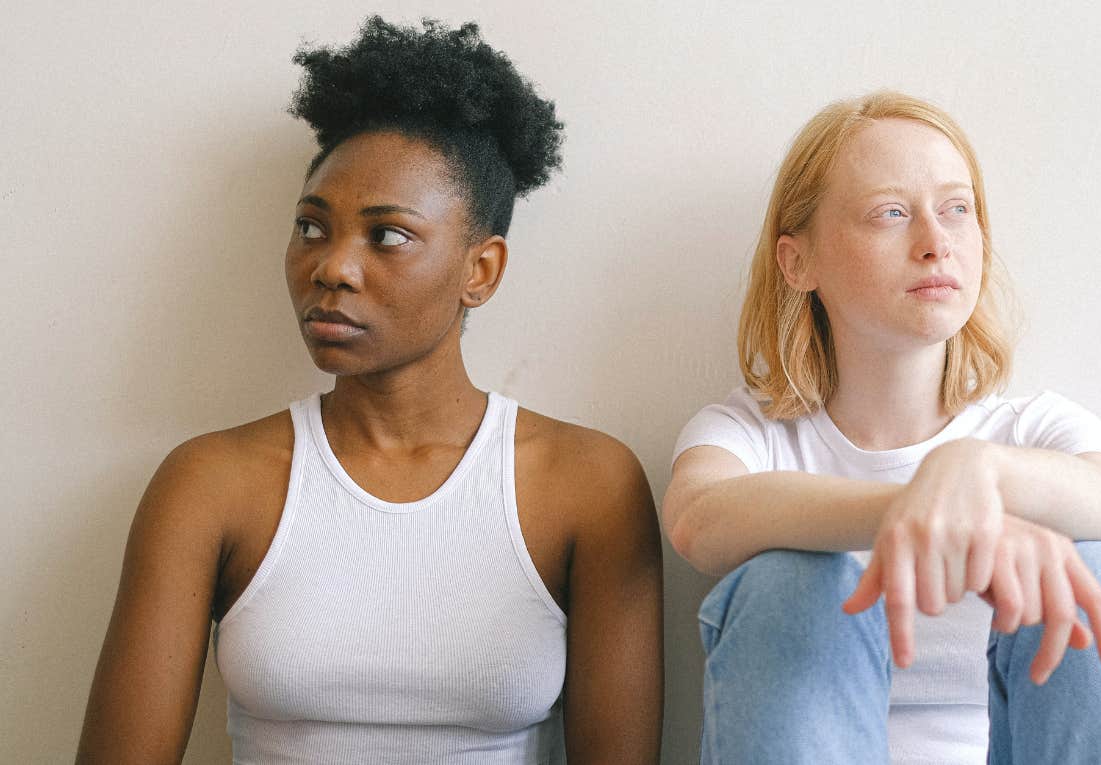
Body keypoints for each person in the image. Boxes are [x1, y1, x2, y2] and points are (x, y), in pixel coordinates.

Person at [76, 17, 662, 764]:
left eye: (386, 235)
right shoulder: (210, 484)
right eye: (312, 228)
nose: (332, 268)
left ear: (479, 270)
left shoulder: (588, 484)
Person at [663, 91, 1101, 764]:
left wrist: (979, 470)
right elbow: (699, 519)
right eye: (890, 213)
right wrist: (916, 510)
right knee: (786, 584)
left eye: (956, 210)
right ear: (799, 262)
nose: (935, 243)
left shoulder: (1035, 429)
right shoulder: (750, 434)